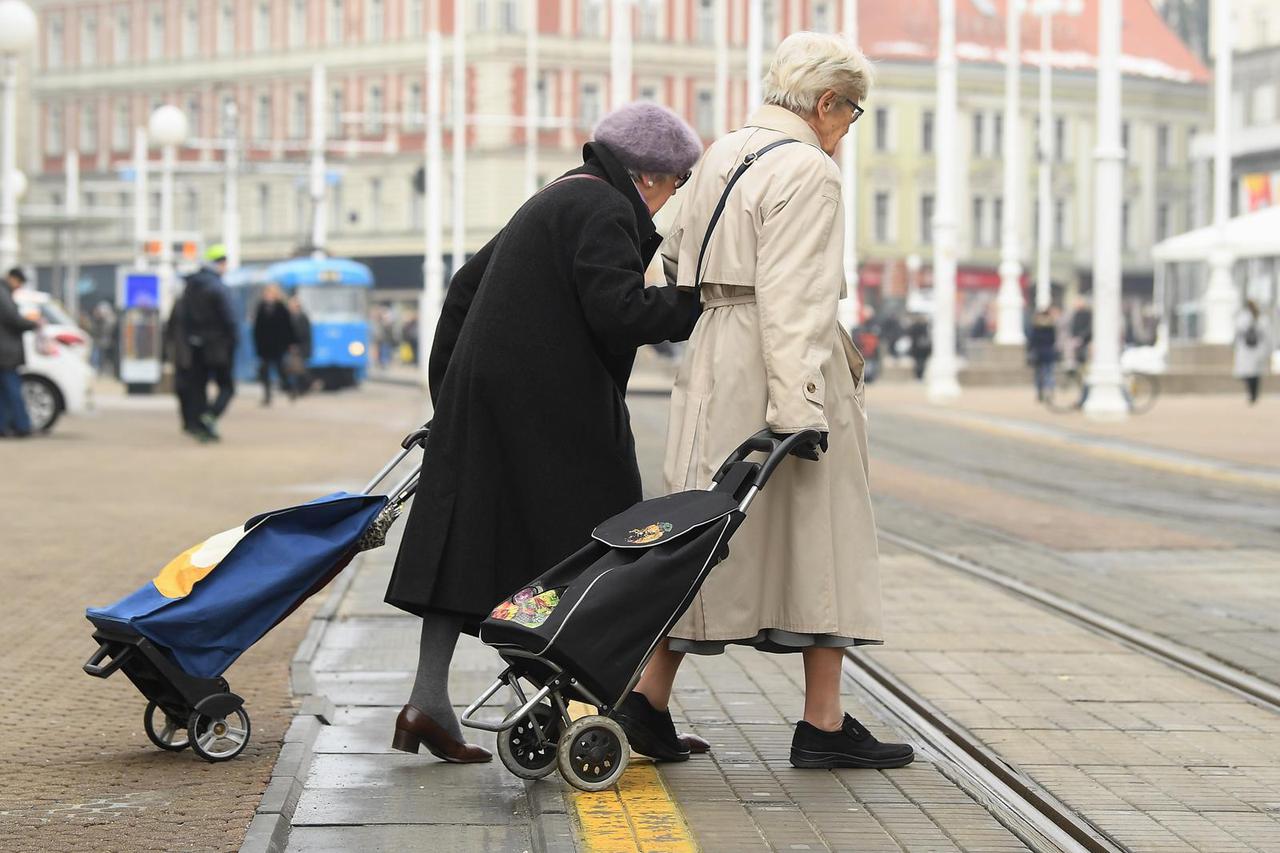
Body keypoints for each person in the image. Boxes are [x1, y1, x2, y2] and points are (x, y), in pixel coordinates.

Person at [620, 32, 914, 770]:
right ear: (827, 102)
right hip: (778, 365)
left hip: (716, 355)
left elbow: (663, 255)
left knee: (700, 534)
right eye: (852, 113)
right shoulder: (809, 171)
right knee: (826, 537)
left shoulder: (721, 153)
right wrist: (799, 408)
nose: (849, 128)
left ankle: (648, 700)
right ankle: (822, 723)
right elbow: (796, 301)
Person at [383, 102, 704, 763]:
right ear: (648, 175)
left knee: (471, 541)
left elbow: (463, 289)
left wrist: (454, 397)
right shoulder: (606, 209)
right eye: (676, 183)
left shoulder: (558, 195)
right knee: (589, 545)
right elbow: (618, 312)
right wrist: (697, 302)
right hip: (550, 412)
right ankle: (560, 702)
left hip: (494, 403)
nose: (673, 197)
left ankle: (428, 701)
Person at [174, 245, 239, 441]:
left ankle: (199, 425)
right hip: (218, 346)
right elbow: (230, 318)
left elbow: (181, 318)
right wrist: (233, 341)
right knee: (227, 387)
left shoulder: (190, 286)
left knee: (198, 387)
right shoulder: (218, 288)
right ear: (218, 263)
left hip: (194, 346)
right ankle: (209, 416)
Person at [0, 268, 41, 438]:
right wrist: (33, 323)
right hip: (5, 354)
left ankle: (4, 426)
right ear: (12, 278)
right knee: (13, 391)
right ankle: (22, 426)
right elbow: (13, 318)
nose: (19, 287)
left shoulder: (5, 293)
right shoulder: (3, 294)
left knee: (5, 393)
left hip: (5, 352)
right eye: (19, 283)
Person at [252, 284, 297, 405]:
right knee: (264, 371)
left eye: (271, 293)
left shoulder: (281, 308)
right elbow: (257, 328)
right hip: (264, 346)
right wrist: (257, 344)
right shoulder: (261, 307)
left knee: (281, 370)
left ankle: (289, 388)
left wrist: (291, 343)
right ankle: (267, 395)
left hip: (278, 345)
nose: (268, 295)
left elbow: (288, 327)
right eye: (267, 293)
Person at [1234, 299, 1270, 405]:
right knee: (1255, 374)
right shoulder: (1262, 318)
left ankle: (1252, 394)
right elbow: (1267, 335)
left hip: (1247, 349)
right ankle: (1254, 394)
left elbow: (1238, 332)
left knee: (1249, 374)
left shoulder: (1243, 318)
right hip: (1257, 349)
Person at [1027, 308, 1059, 402]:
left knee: (1039, 375)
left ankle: (1040, 393)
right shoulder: (1051, 326)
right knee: (1049, 373)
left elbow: (1032, 341)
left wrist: (1030, 351)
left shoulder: (1036, 326)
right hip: (1049, 352)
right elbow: (1053, 340)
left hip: (1038, 353)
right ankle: (1049, 391)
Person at [287, 295, 313, 396]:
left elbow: (303, 333)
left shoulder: (302, 317)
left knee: (299, 369)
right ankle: (297, 389)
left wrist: (295, 344)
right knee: (295, 370)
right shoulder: (290, 317)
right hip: (293, 348)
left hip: (301, 348)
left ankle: (304, 386)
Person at [907, 314, 932, 381]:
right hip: (923, 349)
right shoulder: (926, 327)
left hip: (918, 349)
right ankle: (919, 376)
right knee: (921, 363)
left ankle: (918, 376)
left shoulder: (914, 327)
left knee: (918, 363)